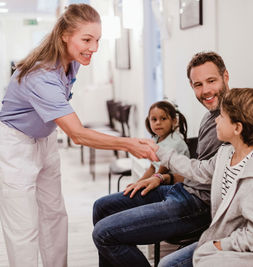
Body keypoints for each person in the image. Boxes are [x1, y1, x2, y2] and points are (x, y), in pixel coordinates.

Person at [92, 51, 253, 267]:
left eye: (211, 81)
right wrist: (162, 176)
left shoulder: (241, 116)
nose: (206, 90)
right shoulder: (217, 126)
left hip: (198, 204)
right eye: (198, 85)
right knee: (101, 207)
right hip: (182, 189)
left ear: (225, 76)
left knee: (105, 234)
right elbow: (201, 168)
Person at [0, 4, 156, 267]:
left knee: (55, 217)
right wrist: (129, 144)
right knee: (24, 227)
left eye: (97, 40)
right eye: (86, 39)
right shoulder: (41, 75)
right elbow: (77, 134)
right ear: (64, 35)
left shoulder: (71, 64)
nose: (94, 48)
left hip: (45, 140)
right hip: (16, 145)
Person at [154, 87, 253, 267]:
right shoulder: (226, 153)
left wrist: (220, 245)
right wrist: (161, 153)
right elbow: (198, 170)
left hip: (252, 252)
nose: (216, 119)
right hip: (225, 241)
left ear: (237, 128)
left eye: (222, 116)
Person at [124, 100, 190, 198]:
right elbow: (152, 167)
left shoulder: (175, 141)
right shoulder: (156, 140)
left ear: (174, 121)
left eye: (163, 118)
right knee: (132, 192)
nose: (158, 123)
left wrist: (148, 181)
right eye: (154, 119)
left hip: (175, 187)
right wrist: (138, 183)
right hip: (160, 180)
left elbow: (163, 168)